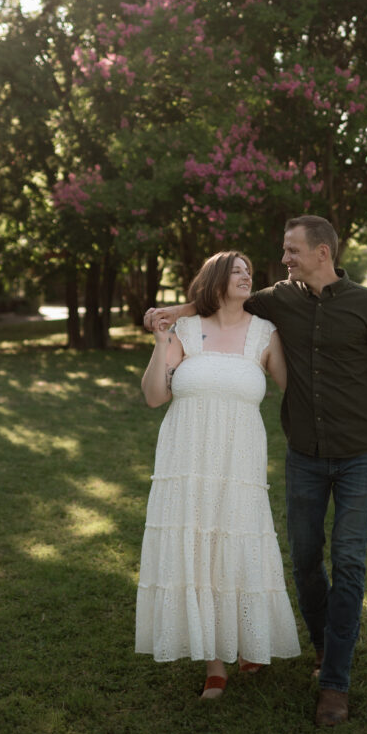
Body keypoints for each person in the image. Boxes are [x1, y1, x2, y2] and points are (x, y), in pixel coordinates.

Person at [146, 215, 367, 726]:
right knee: (303, 560)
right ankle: (322, 646)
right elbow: (220, 301)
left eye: (292, 250)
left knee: (348, 561)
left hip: (359, 451)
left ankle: (335, 683)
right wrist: (172, 311)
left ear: (323, 252)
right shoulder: (280, 299)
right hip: (305, 453)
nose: (284, 259)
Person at [136, 250, 301, 700]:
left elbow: (296, 390)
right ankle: (214, 662)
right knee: (198, 547)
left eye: (250, 269)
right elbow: (154, 397)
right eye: (237, 270)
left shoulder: (266, 333)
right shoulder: (184, 330)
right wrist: (160, 341)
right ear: (214, 279)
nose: (247, 275)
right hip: (186, 462)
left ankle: (248, 640)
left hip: (240, 462)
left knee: (239, 544)